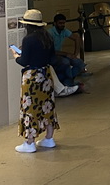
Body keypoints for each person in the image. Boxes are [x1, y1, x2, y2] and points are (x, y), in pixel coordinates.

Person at [11, 9, 78, 153]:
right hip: (45, 75)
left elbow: (24, 61)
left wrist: (16, 55)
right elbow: (52, 58)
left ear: (28, 25)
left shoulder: (28, 39)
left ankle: (29, 142)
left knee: (30, 108)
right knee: (47, 106)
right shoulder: (47, 36)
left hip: (32, 77)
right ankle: (49, 138)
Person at [47, 13, 87, 86]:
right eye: (60, 23)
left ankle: (68, 81)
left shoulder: (64, 31)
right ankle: (68, 82)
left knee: (80, 63)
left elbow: (77, 38)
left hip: (60, 55)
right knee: (66, 62)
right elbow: (50, 51)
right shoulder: (50, 33)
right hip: (51, 56)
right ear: (55, 23)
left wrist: (75, 54)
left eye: (63, 23)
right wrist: (67, 54)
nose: (62, 25)